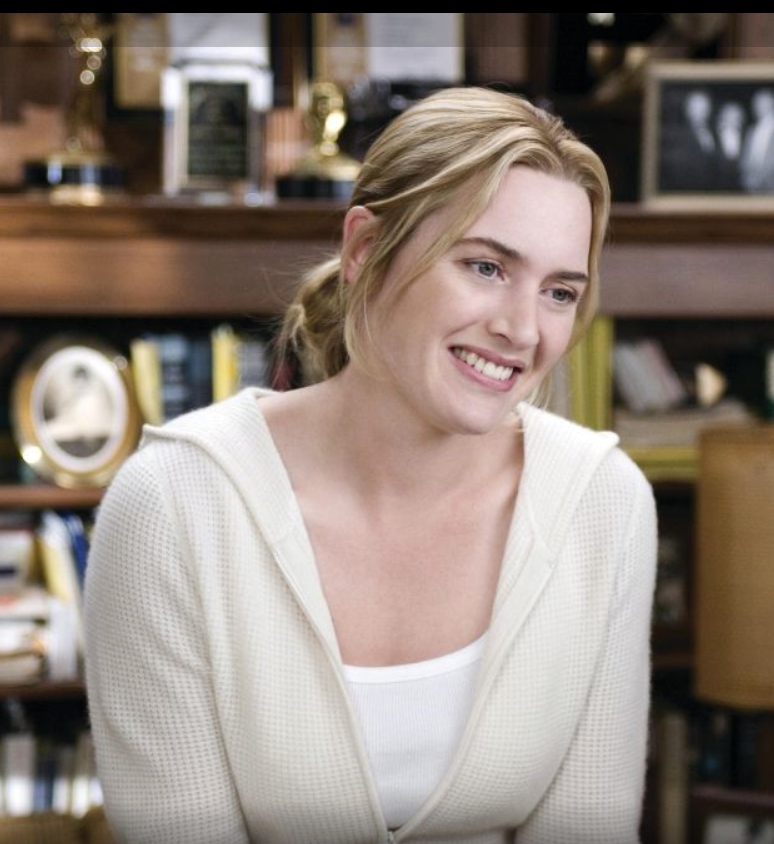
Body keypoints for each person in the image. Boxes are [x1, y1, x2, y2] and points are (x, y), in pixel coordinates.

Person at [83, 86, 658, 844]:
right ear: (364, 250)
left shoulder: (602, 502)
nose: (523, 330)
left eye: (558, 292)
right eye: (485, 267)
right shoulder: (173, 502)